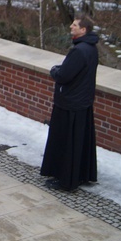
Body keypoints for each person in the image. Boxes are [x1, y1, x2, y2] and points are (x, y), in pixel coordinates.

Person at [40, 15, 99, 191]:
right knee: (79, 141)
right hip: (82, 101)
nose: (71, 27)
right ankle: (80, 174)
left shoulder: (79, 51)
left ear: (83, 30)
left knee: (67, 142)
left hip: (70, 103)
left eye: (75, 25)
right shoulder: (91, 49)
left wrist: (54, 71)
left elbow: (64, 75)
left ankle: (66, 179)